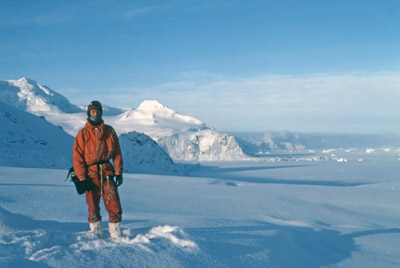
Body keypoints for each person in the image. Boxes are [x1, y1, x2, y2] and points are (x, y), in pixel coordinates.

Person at [72, 100, 124, 238]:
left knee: (114, 206)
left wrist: (118, 172)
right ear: (88, 113)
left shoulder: (109, 131)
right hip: (90, 175)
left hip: (107, 173)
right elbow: (77, 158)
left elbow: (117, 153)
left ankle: (116, 235)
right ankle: (96, 235)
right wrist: (82, 178)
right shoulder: (82, 134)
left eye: (97, 112)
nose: (95, 114)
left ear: (101, 113)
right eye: (92, 112)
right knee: (93, 207)